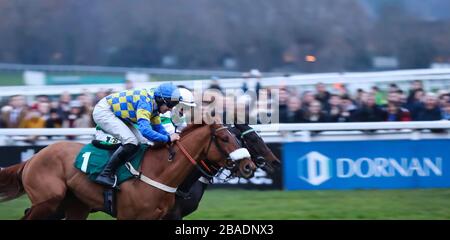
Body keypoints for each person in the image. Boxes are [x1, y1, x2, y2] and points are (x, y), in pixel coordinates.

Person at [92, 83, 182, 188]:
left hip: (117, 113)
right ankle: (105, 174)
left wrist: (170, 137)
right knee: (131, 141)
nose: (171, 109)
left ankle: (128, 170)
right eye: (170, 105)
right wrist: (167, 138)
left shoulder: (154, 104)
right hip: (104, 111)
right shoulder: (146, 103)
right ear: (161, 100)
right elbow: (145, 130)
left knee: (142, 142)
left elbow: (158, 127)